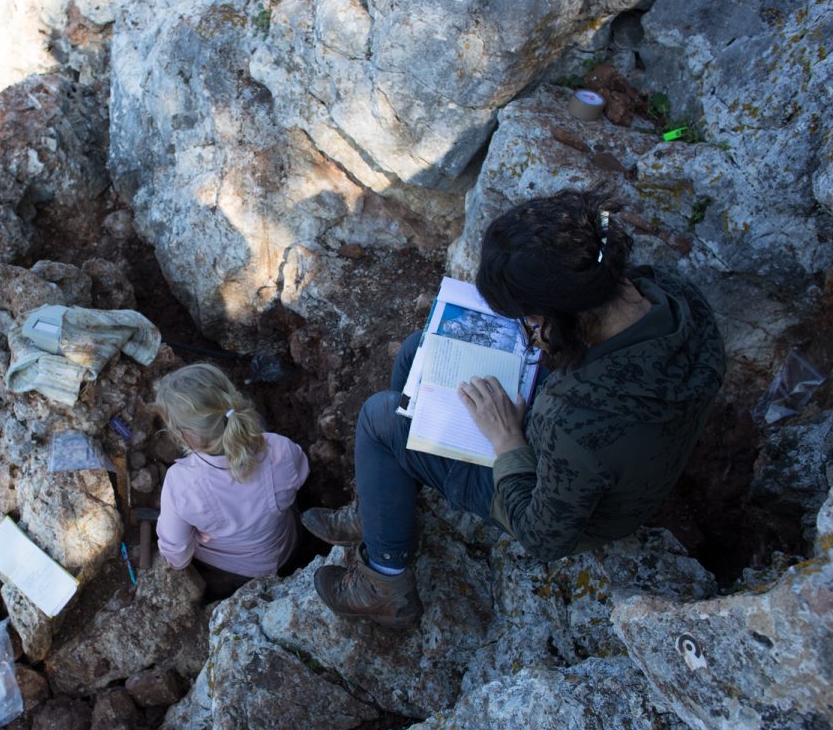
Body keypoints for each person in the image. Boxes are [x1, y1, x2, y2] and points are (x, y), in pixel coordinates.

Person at [303, 189, 726, 628]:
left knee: (379, 419)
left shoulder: (575, 420)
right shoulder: (673, 294)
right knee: (419, 351)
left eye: (530, 322)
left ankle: (385, 585)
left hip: (557, 499)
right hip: (608, 452)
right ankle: (382, 506)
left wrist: (508, 441)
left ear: (564, 315)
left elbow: (544, 537)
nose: (529, 332)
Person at [154, 362, 310, 598]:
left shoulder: (181, 484)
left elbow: (177, 557)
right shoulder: (280, 448)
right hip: (289, 546)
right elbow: (301, 475)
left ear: (187, 435)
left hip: (241, 573)